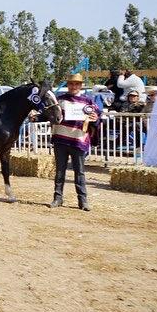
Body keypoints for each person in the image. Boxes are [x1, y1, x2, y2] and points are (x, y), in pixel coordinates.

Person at [49, 72, 100, 211]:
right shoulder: (59, 100)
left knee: (80, 171)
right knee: (60, 171)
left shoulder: (88, 102)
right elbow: (50, 114)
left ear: (81, 86)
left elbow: (97, 117)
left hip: (78, 140)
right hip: (61, 140)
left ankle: (83, 201)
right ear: (68, 85)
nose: (74, 86)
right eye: (71, 84)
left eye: (77, 84)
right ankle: (57, 198)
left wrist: (95, 118)